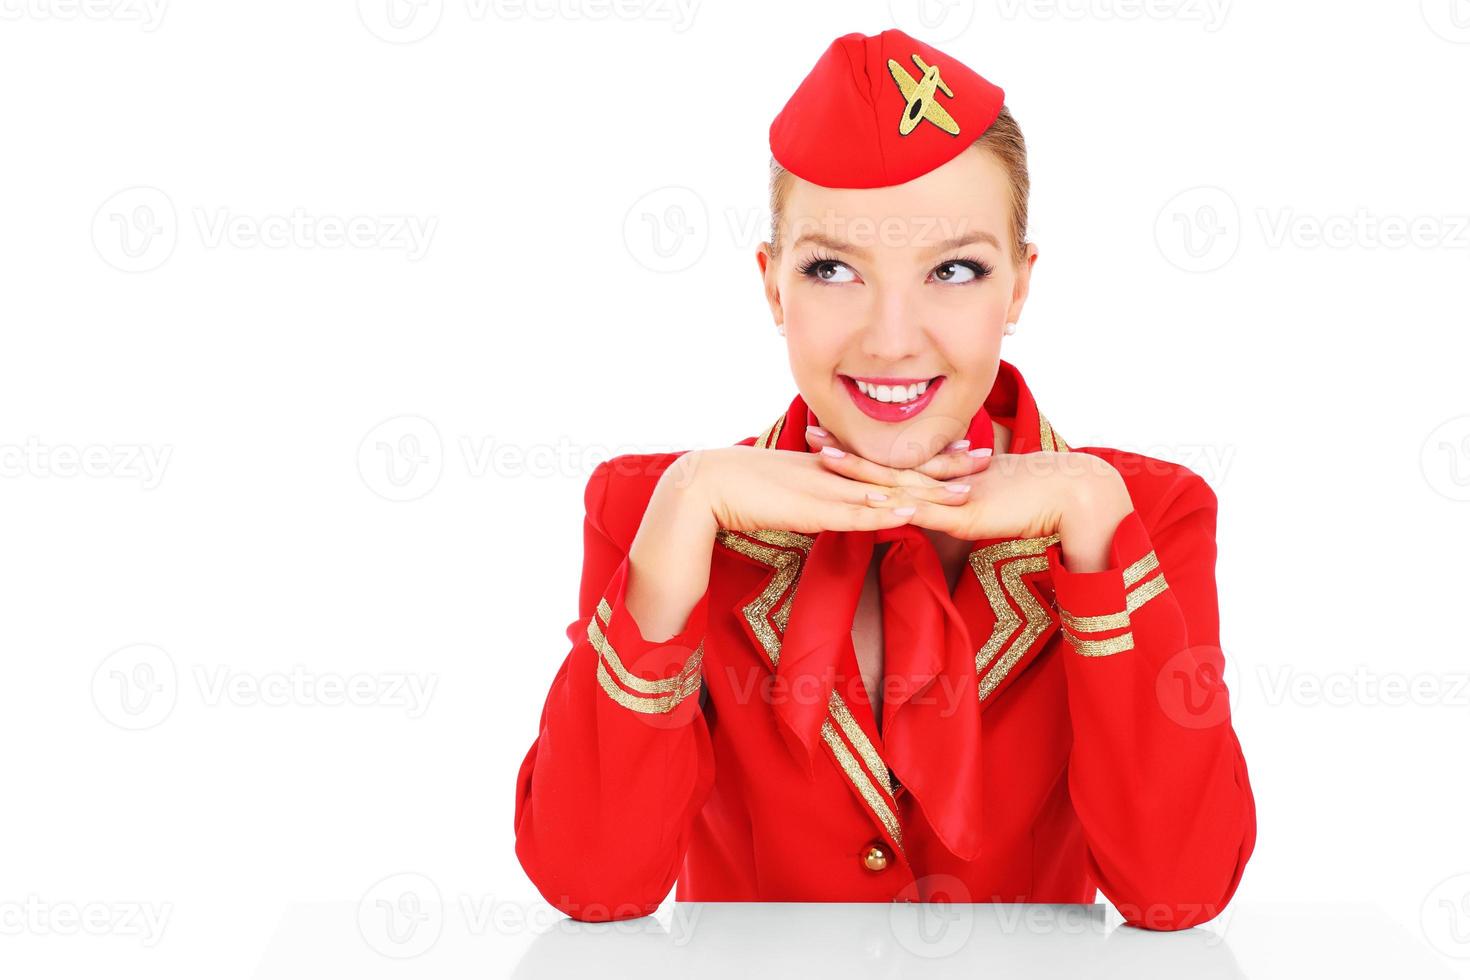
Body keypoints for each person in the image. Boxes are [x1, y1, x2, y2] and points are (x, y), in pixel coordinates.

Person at [512, 27, 1256, 931]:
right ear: (773, 288)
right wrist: (681, 516)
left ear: (1018, 288)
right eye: (832, 269)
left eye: (954, 269)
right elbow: (593, 883)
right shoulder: (650, 510)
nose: (892, 338)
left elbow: (1178, 890)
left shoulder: (1146, 512)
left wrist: (1092, 518)